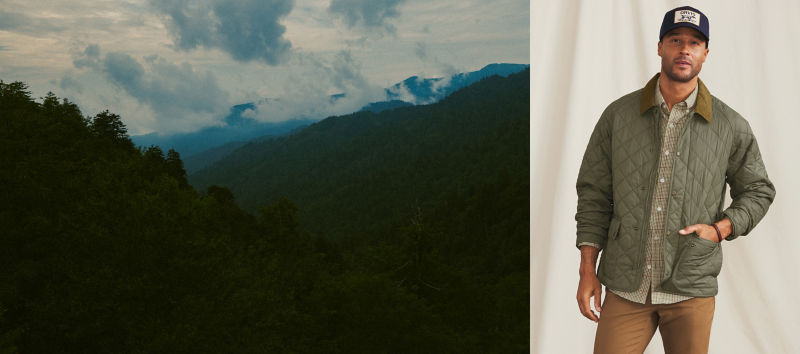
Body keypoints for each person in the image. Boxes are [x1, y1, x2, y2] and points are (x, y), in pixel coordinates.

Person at [574, 6, 776, 353]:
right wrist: (587, 270)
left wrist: (720, 229)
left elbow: (759, 190)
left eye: (694, 43)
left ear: (705, 54)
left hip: (690, 288)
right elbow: (593, 194)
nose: (685, 49)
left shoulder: (729, 125)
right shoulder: (618, 116)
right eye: (675, 40)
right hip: (626, 286)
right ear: (660, 47)